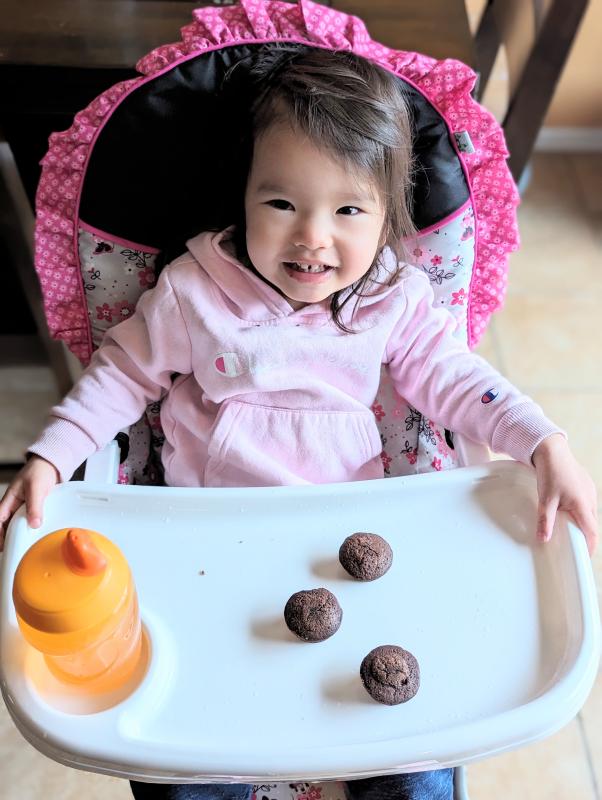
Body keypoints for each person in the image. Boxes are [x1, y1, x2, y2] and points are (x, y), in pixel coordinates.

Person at [0, 46, 597, 800]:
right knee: (188, 754)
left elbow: (457, 380)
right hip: (207, 550)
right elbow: (120, 375)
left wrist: (543, 443)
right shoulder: (194, 296)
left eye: (348, 210)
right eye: (281, 204)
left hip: (345, 547)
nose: (313, 237)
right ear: (242, 195)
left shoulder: (394, 302)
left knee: (416, 747)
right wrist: (53, 458)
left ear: (387, 215)